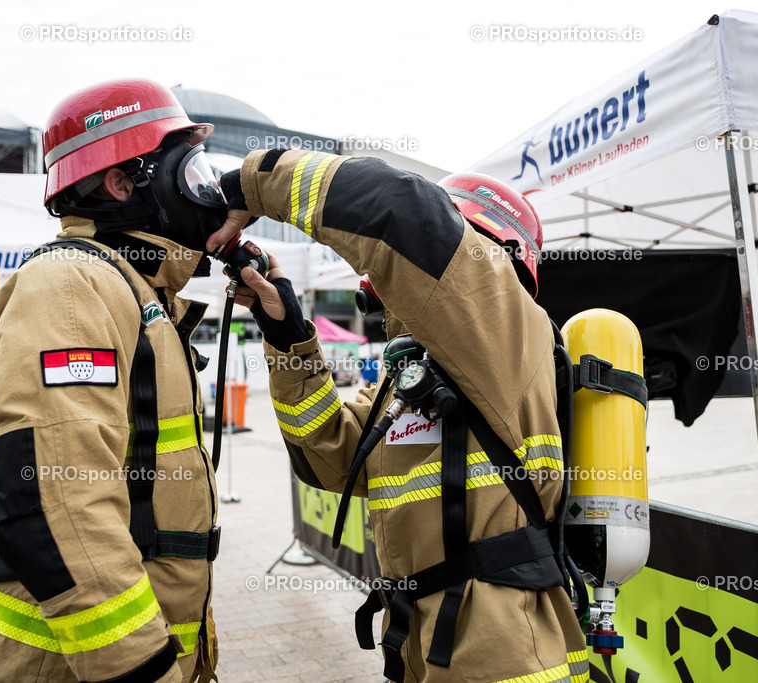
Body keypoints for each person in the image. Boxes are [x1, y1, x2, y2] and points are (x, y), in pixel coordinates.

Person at [208, 151, 588, 682]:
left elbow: (402, 211)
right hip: (422, 640)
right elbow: (331, 462)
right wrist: (288, 337)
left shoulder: (511, 333)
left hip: (502, 654)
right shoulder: (409, 378)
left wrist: (251, 185)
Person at [0, 79, 229, 683]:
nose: (204, 190)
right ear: (123, 183)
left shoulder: (131, 289)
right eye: (190, 170)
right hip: (68, 666)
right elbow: (53, 499)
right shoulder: (73, 287)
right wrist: (139, 669)